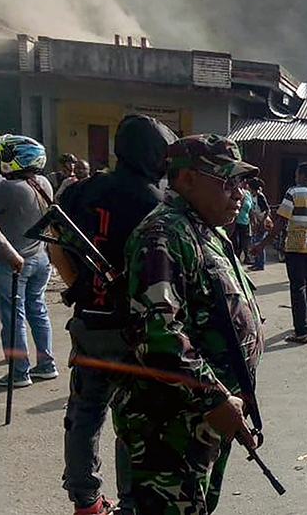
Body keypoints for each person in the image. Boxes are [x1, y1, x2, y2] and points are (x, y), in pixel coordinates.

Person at [112, 134, 263, 514]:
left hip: (206, 418)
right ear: (187, 179)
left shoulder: (204, 229)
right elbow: (157, 335)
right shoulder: (163, 234)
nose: (239, 195)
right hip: (171, 425)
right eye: (228, 182)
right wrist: (214, 397)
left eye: (241, 184)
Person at [50, 115, 176, 515]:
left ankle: (84, 501)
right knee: (131, 422)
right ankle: (130, 503)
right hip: (132, 331)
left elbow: (56, 245)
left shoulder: (80, 190)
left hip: (88, 321)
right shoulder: (155, 204)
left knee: (83, 414)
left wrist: (79, 287)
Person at [0, 135, 57, 387]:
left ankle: (19, 371)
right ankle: (46, 364)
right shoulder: (43, 182)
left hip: (13, 262)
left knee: (12, 316)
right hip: (40, 258)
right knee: (37, 310)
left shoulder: (8, 189)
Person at [252, 162, 307, 343]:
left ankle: (302, 330)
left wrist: (262, 244)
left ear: (301, 175)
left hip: (296, 245)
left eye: (297, 175)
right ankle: (305, 322)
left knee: (297, 286)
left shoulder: (293, 192)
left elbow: (281, 221)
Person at [246, 178, 272, 271]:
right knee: (255, 242)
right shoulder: (252, 196)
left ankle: (260, 264)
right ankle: (256, 263)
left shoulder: (260, 196)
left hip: (264, 222)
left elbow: (267, 210)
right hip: (257, 221)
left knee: (259, 242)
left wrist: (262, 222)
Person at [230, 178, 254, 260]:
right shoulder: (237, 192)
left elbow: (250, 209)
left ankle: (242, 257)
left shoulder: (248, 193)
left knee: (243, 242)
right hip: (236, 221)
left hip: (245, 222)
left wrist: (253, 220)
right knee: (235, 241)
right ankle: (235, 257)